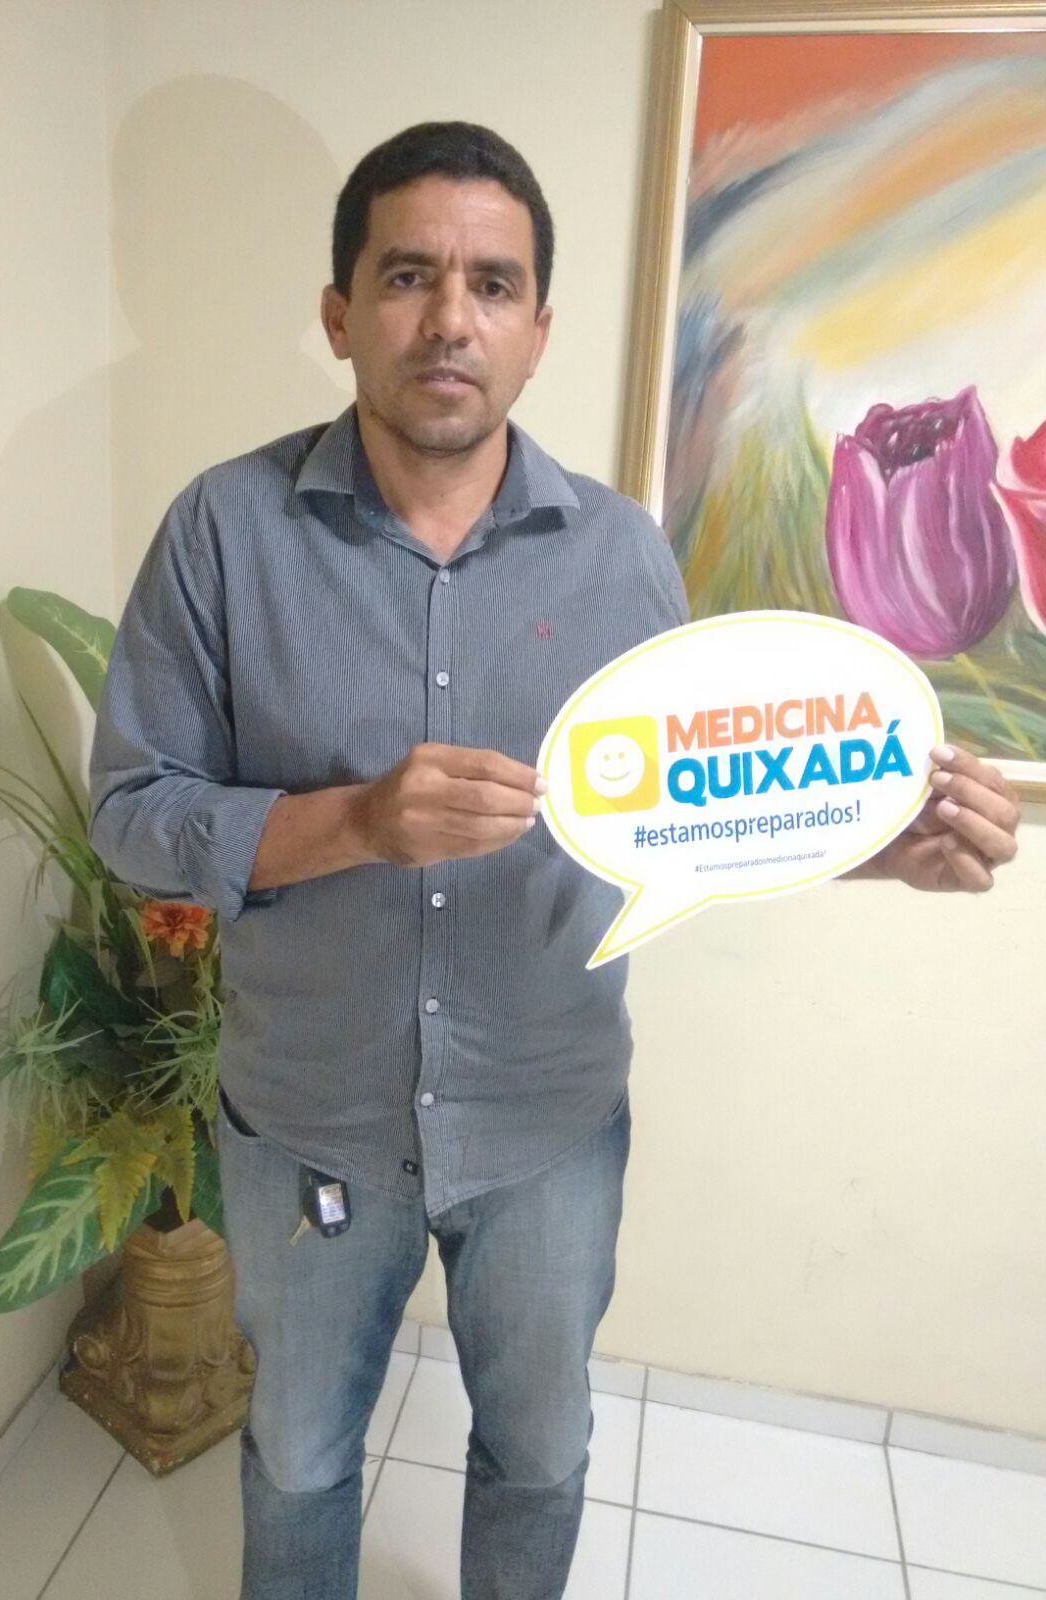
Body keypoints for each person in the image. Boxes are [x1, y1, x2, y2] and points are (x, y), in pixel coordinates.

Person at [88, 121, 1021, 1600]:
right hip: (307, 1125)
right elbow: (135, 812)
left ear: (537, 331)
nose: (449, 320)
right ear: (340, 313)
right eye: (408, 276)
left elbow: (698, 812)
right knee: (301, 1459)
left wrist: (879, 842)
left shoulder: (623, 557)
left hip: (547, 1124)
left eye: (492, 284)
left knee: (538, 1452)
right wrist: (356, 821)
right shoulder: (223, 533)